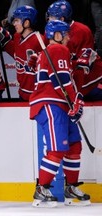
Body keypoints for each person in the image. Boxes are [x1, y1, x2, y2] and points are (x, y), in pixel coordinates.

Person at [29, 20, 91, 208]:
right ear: (56, 35)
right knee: (57, 149)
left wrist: (72, 101)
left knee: (74, 145)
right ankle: (42, 189)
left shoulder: (50, 52)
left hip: (59, 102)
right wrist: (75, 101)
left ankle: (70, 187)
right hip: (51, 102)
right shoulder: (58, 50)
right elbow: (61, 79)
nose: (68, 37)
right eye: (65, 34)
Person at [46, 0, 102, 101]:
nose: (49, 19)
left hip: (85, 82)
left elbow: (85, 65)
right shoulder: (52, 31)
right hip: (69, 82)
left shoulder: (82, 31)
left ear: (62, 18)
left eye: (52, 16)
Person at [0, 5, 45, 101]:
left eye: (17, 21)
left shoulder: (40, 40)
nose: (14, 24)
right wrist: (4, 40)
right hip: (22, 92)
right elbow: (16, 55)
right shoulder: (17, 37)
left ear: (27, 22)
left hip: (37, 94)